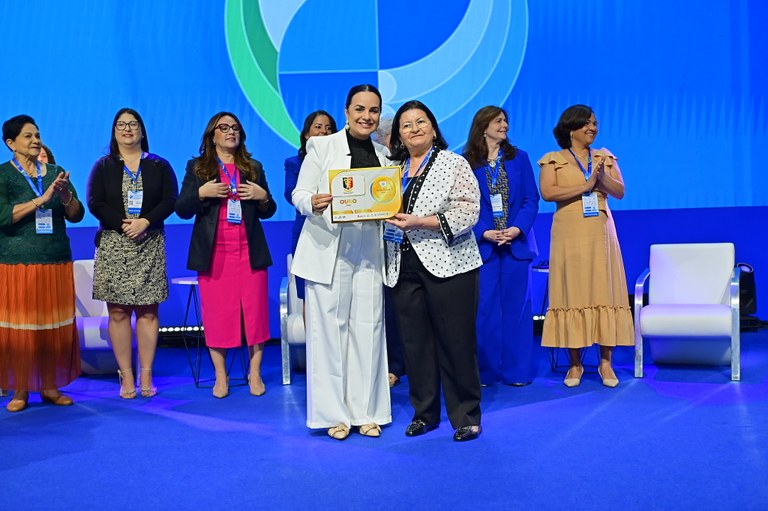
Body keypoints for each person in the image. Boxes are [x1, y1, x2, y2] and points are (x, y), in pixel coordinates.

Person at [291, 84, 391, 440]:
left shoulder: (385, 154)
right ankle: (334, 415)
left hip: (368, 249)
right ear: (347, 111)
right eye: (360, 109)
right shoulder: (322, 145)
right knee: (329, 334)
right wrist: (311, 203)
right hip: (327, 248)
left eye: (374, 110)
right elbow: (299, 193)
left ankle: (367, 412)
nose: (367, 117)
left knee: (369, 328)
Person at [384, 100, 483, 442]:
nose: (414, 129)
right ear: (397, 134)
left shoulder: (453, 163)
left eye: (420, 121)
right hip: (402, 266)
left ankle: (466, 414)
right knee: (416, 345)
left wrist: (420, 222)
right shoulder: (390, 171)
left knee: (457, 343)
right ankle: (425, 414)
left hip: (451, 265)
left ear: (433, 126)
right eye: (406, 125)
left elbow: (468, 211)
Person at [176, 112, 276, 398]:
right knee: (218, 316)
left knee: (256, 316)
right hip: (214, 254)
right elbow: (182, 209)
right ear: (212, 135)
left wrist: (262, 196)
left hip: (249, 251)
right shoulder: (198, 168)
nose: (230, 132)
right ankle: (221, 376)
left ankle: (254, 373)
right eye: (224, 128)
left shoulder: (253, 167)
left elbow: (269, 211)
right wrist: (201, 193)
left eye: (235, 128)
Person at [538, 104, 633, 387]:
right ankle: (575, 364)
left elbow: (620, 192)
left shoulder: (605, 157)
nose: (593, 128)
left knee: (605, 290)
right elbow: (548, 193)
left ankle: (606, 363)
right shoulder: (553, 159)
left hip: (601, 233)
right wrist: (586, 185)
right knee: (572, 293)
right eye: (587, 124)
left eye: (595, 123)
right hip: (568, 233)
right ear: (571, 128)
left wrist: (601, 178)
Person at [86, 108, 178, 398]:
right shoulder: (103, 166)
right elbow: (95, 202)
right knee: (118, 312)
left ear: (141, 130)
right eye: (121, 125)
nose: (127, 129)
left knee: (149, 312)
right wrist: (123, 224)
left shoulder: (159, 165)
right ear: (114, 132)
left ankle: (146, 374)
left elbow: (170, 199)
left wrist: (145, 222)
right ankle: (126, 376)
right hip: (115, 242)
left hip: (149, 243)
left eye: (133, 124)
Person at [0, 115, 85, 412]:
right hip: (17, 263)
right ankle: (20, 390)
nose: (35, 140)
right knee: (21, 329)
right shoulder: (2, 176)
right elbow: (2, 216)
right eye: (27, 136)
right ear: (11, 144)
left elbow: (76, 214)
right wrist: (41, 199)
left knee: (53, 326)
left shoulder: (56, 172)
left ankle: (50, 386)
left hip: (55, 260)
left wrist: (63, 197)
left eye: (37, 135)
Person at [464, 106, 540, 386]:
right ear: (482, 126)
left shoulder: (519, 159)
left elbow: (531, 199)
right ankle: (485, 372)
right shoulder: (466, 162)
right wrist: (484, 232)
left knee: (517, 310)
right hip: (483, 248)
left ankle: (517, 371)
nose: (504, 124)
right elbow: (465, 204)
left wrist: (516, 228)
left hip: (515, 245)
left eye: (506, 120)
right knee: (484, 310)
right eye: (498, 121)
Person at [284, 110, 337, 301]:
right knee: (308, 292)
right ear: (306, 134)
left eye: (329, 128)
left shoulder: (342, 161)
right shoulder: (294, 162)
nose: (324, 131)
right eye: (318, 127)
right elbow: (290, 193)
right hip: (307, 226)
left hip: (338, 229)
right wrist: (311, 201)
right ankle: (310, 332)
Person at [373, 114, 405, 388]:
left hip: (418, 244)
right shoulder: (380, 164)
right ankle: (394, 365)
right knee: (391, 310)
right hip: (384, 246)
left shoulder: (416, 163)